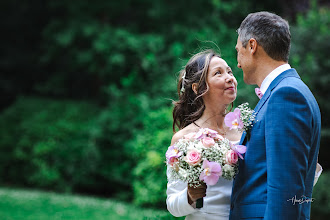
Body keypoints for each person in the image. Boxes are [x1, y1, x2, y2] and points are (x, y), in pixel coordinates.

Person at [230, 12, 322, 219]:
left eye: (238, 51)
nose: (237, 63)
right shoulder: (289, 90)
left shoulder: (286, 96)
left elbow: (285, 192)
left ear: (252, 46)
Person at [166, 49, 242, 220]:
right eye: (218, 73)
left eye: (230, 71)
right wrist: (189, 196)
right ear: (197, 88)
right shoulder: (184, 139)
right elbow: (172, 205)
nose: (230, 78)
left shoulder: (246, 131)